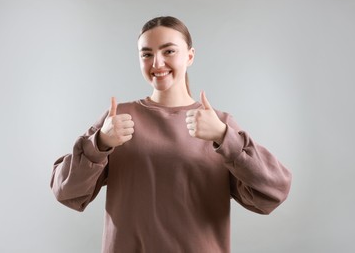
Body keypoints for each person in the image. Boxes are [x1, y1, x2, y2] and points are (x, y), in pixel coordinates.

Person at [50, 16, 292, 253]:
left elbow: (273, 191)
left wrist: (224, 136)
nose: (157, 63)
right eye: (146, 54)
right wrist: (99, 143)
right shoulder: (117, 119)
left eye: (169, 51)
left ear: (190, 56)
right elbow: (66, 191)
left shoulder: (219, 125)